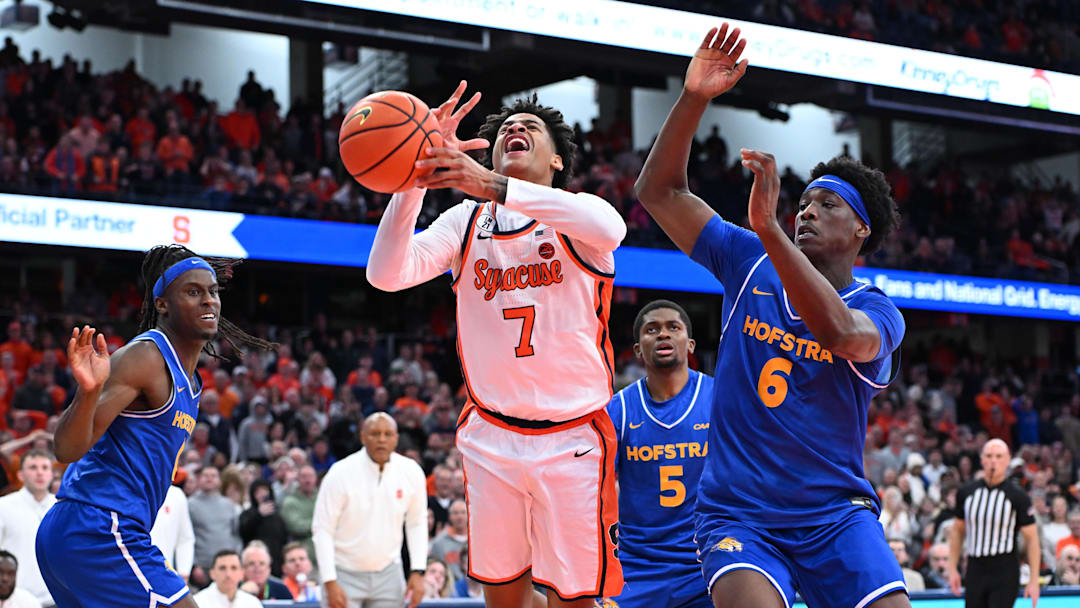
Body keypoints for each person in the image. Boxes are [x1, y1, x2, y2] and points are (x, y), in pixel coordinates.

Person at [635, 25, 909, 608]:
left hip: (835, 515)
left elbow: (840, 335)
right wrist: (694, 98)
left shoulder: (877, 310)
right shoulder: (747, 260)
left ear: (861, 229)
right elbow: (658, 192)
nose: (806, 211)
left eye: (826, 205)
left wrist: (770, 229)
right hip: (740, 516)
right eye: (802, 202)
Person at [367, 79, 626, 607]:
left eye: (530, 127)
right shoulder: (465, 220)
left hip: (572, 438)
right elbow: (386, 274)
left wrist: (492, 185)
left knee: (572, 599)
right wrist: (414, 176)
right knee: (501, 594)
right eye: (507, 126)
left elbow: (614, 227)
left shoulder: (576, 217)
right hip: (491, 433)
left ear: (556, 162)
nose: (515, 129)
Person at [35, 245, 274, 607]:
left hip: (90, 528)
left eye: (212, 291)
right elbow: (66, 450)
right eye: (193, 292)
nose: (209, 300)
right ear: (162, 304)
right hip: (99, 526)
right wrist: (88, 391)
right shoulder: (145, 357)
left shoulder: (192, 381)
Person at [604, 300, 714, 608]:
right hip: (637, 567)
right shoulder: (619, 409)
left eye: (672, 328)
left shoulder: (718, 398)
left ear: (689, 344)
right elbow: (594, 494)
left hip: (706, 561)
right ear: (638, 349)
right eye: (652, 330)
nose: (663, 335)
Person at [311, 413, 427, 608]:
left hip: (389, 573)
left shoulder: (411, 471)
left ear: (396, 438)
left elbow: (417, 523)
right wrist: (329, 580)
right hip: (343, 573)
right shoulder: (340, 473)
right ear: (363, 437)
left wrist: (418, 570)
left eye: (387, 434)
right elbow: (322, 529)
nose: (381, 439)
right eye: (375, 433)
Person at [947, 439, 1041, 608]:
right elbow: (958, 531)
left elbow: (1032, 539)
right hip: (975, 567)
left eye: (999, 456)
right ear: (982, 459)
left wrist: (1034, 580)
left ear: (1007, 460)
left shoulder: (1018, 496)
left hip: (1005, 569)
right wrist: (952, 567)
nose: (993, 461)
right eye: (989, 456)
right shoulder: (966, 492)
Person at [0, 449, 55, 606]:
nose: (39, 473)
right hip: (16, 599)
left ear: (51, 475)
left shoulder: (61, 508)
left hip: (56, 597)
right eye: (33, 467)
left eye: (45, 468)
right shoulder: (3, 506)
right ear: (20, 475)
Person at [150, 477, 195, 583]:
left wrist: (184, 572)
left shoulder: (176, 495)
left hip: (164, 575)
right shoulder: (125, 490)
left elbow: (185, 538)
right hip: (126, 576)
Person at [193, 549, 262, 608]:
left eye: (234, 568)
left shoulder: (252, 603)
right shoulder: (197, 602)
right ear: (212, 573)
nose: (228, 574)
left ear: (242, 573)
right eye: (222, 568)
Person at [428, 499, 468, 581]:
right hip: (449, 589)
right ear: (449, 516)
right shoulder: (439, 542)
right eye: (455, 513)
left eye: (463, 512)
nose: (459, 516)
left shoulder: (477, 541)